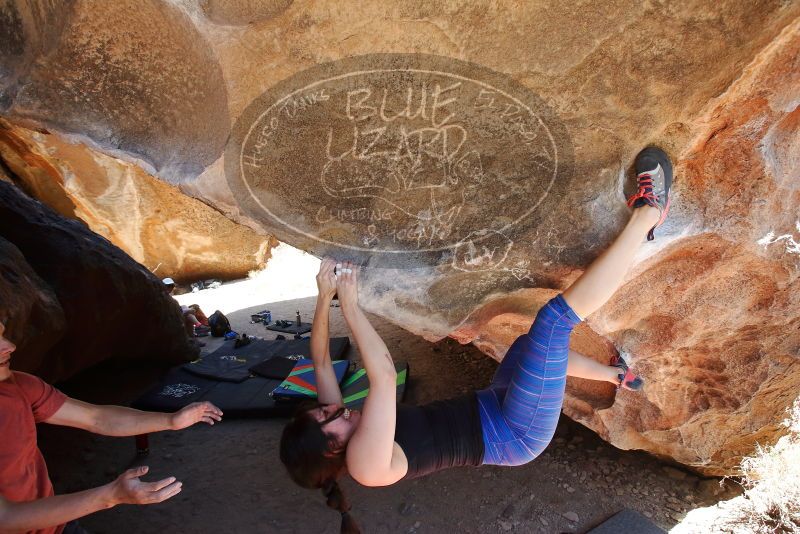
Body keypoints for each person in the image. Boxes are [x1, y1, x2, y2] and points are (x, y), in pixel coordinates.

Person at [280, 147, 673, 533]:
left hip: (493, 404)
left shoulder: (341, 426)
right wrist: (349, 304)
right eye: (330, 418)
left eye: (325, 410)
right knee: (552, 323)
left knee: (524, 349)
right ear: (332, 451)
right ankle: (649, 213)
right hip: (513, 432)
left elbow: (319, 361)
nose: (337, 410)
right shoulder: (366, 465)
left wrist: (322, 295)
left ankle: (615, 375)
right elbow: (382, 376)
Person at [0, 319, 223, 534]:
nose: (10, 346)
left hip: (56, 524)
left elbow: (96, 418)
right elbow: (5, 517)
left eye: (2, 334)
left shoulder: (18, 386)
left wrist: (171, 420)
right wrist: (111, 496)